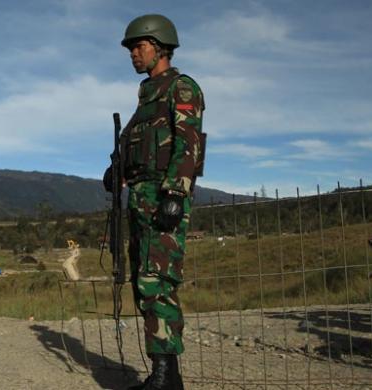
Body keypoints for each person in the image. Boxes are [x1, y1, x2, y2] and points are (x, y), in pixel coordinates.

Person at [103, 14, 206, 390]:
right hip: (140, 199)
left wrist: (176, 193)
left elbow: (188, 144)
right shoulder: (146, 99)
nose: (133, 53)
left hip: (164, 198)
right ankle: (166, 377)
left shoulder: (181, 88)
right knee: (144, 284)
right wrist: (116, 171)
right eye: (132, 47)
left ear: (160, 47)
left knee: (158, 283)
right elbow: (134, 147)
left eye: (139, 46)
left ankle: (164, 378)